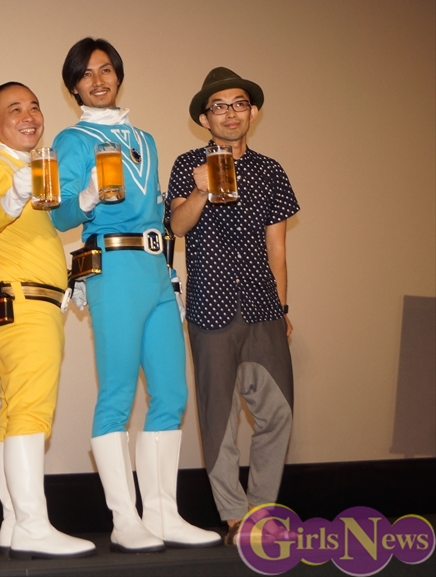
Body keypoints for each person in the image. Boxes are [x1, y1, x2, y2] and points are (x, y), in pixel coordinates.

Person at [50, 37, 221, 553]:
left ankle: (163, 514)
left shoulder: (144, 137)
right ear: (74, 86)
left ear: (119, 75)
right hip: (115, 268)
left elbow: (159, 214)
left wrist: (169, 272)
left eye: (106, 70)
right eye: (86, 74)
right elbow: (60, 216)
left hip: (155, 269)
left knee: (171, 394)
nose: (98, 80)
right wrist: (86, 196)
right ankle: (125, 520)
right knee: (118, 395)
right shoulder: (72, 139)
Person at [167, 67, 298, 545]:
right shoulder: (187, 164)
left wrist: (282, 305)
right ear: (205, 118)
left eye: (239, 104)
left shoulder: (271, 171)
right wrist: (201, 188)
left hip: (263, 306)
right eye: (219, 106)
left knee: (278, 413)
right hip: (211, 307)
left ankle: (263, 511)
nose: (230, 113)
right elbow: (177, 227)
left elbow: (278, 248)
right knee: (219, 416)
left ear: (252, 112)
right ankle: (234, 516)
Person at [0, 82, 97, 560]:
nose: (29, 116)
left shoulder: (34, 170)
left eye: (34, 107)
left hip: (30, 300)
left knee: (14, 412)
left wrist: (83, 204)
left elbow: (42, 232)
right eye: (14, 109)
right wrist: (11, 197)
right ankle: (32, 525)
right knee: (31, 412)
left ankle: (13, 523)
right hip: (22, 301)